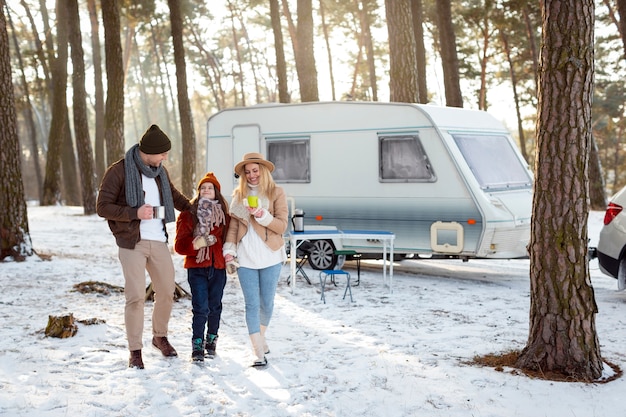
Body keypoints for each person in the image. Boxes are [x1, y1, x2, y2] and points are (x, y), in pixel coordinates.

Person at [96, 124, 191, 369]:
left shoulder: (160, 171)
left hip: (158, 239)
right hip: (131, 241)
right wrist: (134, 212)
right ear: (148, 152)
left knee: (167, 292)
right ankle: (135, 351)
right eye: (162, 153)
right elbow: (102, 207)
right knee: (136, 296)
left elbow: (175, 196)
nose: (165, 158)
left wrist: (195, 207)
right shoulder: (119, 171)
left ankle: (159, 337)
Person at [223, 152, 288, 367]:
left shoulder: (276, 193)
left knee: (266, 304)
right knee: (251, 304)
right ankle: (258, 352)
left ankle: (260, 338)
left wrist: (262, 215)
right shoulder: (239, 196)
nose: (252, 175)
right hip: (246, 258)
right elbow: (234, 227)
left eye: (255, 170)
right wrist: (230, 249)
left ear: (263, 170)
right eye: (247, 172)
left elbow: (281, 226)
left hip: (270, 255)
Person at [174, 172, 230, 362]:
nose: (206, 190)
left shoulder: (224, 216)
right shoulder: (188, 215)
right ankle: (197, 346)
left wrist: (231, 257)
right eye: (203, 188)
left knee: (215, 306)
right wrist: (196, 244)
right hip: (197, 267)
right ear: (198, 192)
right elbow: (179, 246)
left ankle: (211, 341)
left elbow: (231, 240)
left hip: (219, 267)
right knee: (200, 307)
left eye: (210, 188)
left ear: (217, 193)